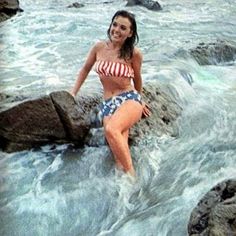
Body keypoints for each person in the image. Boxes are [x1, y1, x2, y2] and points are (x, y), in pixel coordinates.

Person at [70, 10, 151, 176]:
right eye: (115, 24)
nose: (116, 30)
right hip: (108, 104)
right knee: (118, 156)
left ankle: (132, 176)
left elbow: (137, 79)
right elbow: (85, 69)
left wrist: (140, 100)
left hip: (129, 99)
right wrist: (72, 93)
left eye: (123, 27)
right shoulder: (99, 47)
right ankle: (126, 188)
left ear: (130, 33)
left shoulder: (134, 54)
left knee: (111, 130)